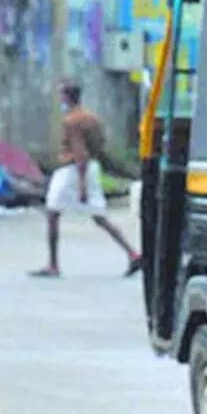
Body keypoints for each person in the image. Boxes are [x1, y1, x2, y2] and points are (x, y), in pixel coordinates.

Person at [30, 81, 143, 278]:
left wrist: (81, 185)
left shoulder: (71, 121)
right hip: (90, 168)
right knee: (98, 216)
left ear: (66, 97)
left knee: (52, 212)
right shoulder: (92, 118)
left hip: (73, 170)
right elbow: (99, 148)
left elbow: (79, 152)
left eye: (61, 95)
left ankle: (53, 265)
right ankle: (132, 254)